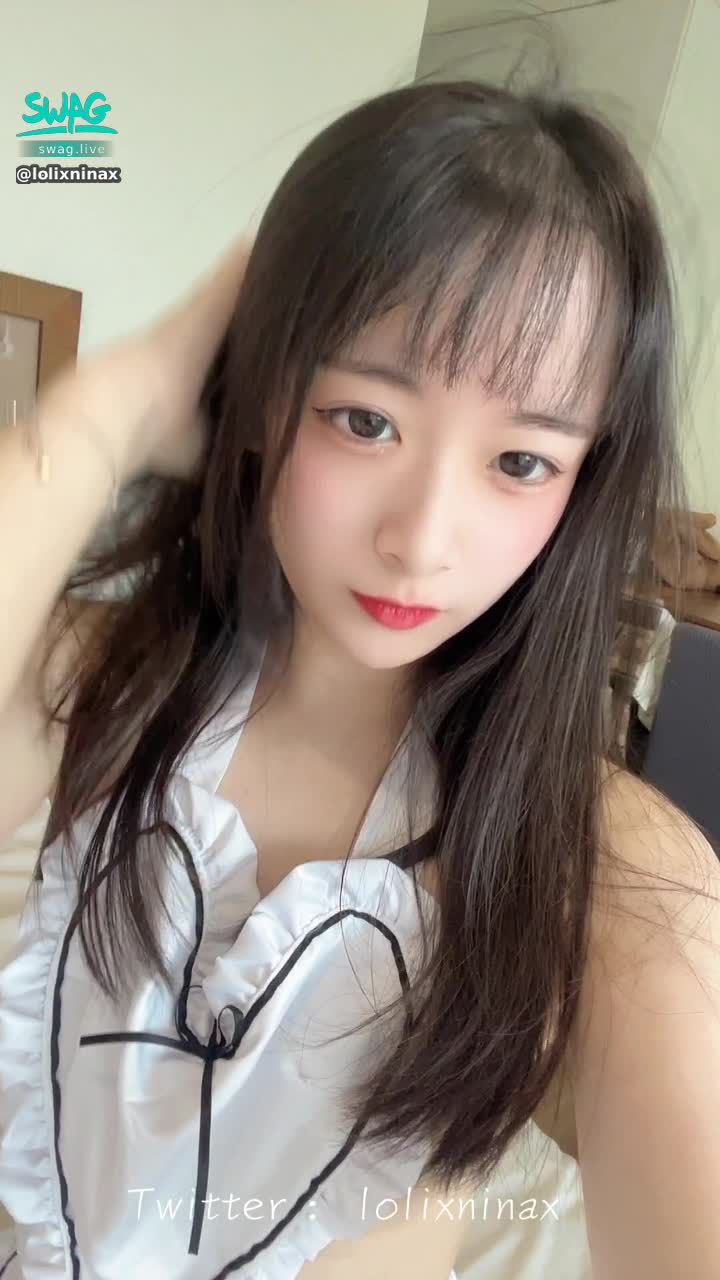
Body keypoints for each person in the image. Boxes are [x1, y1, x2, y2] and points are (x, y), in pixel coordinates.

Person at [0, 78, 719, 1280]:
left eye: (521, 460)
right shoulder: (111, 689)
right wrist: (112, 410)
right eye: (365, 419)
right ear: (262, 393)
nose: (421, 539)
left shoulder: (610, 867)